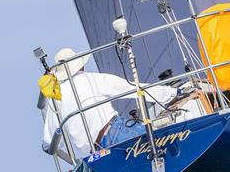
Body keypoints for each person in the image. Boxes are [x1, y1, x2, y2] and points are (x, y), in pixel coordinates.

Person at [41, 48, 178, 159]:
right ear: (80, 65)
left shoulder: (55, 98)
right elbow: (131, 88)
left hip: (94, 153)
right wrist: (172, 93)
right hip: (114, 132)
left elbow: (47, 145)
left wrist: (75, 161)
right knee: (170, 143)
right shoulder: (90, 79)